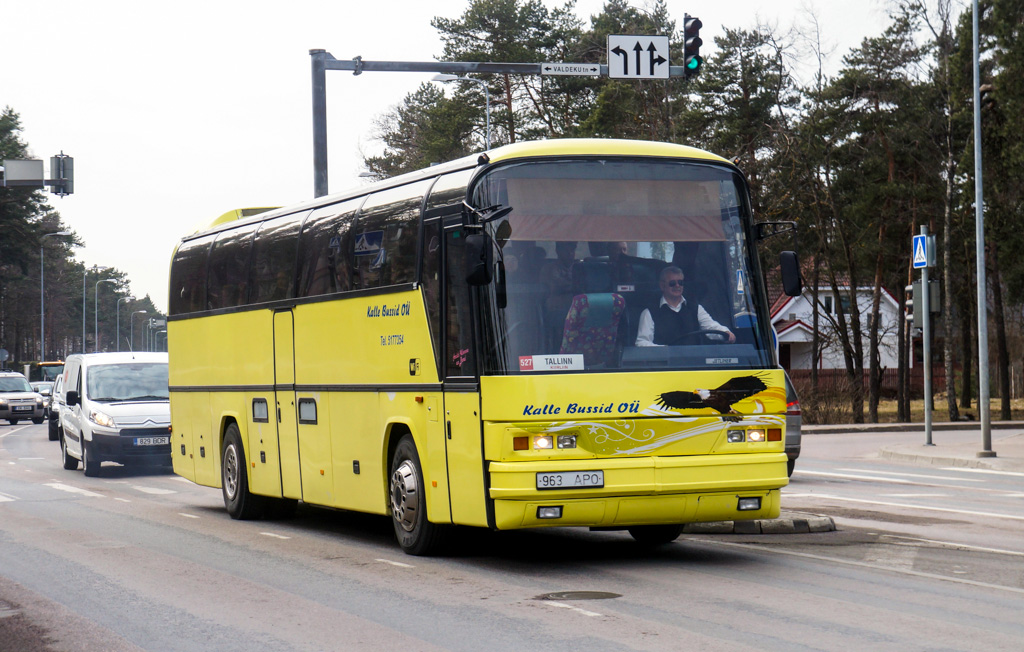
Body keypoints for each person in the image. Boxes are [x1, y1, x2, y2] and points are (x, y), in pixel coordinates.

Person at [635, 266, 735, 346]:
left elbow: (711, 327)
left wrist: (726, 332)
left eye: (680, 282)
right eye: (672, 283)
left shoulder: (696, 309)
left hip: (695, 365)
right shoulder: (649, 313)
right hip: (665, 368)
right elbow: (642, 343)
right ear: (662, 285)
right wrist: (665, 351)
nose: (677, 286)